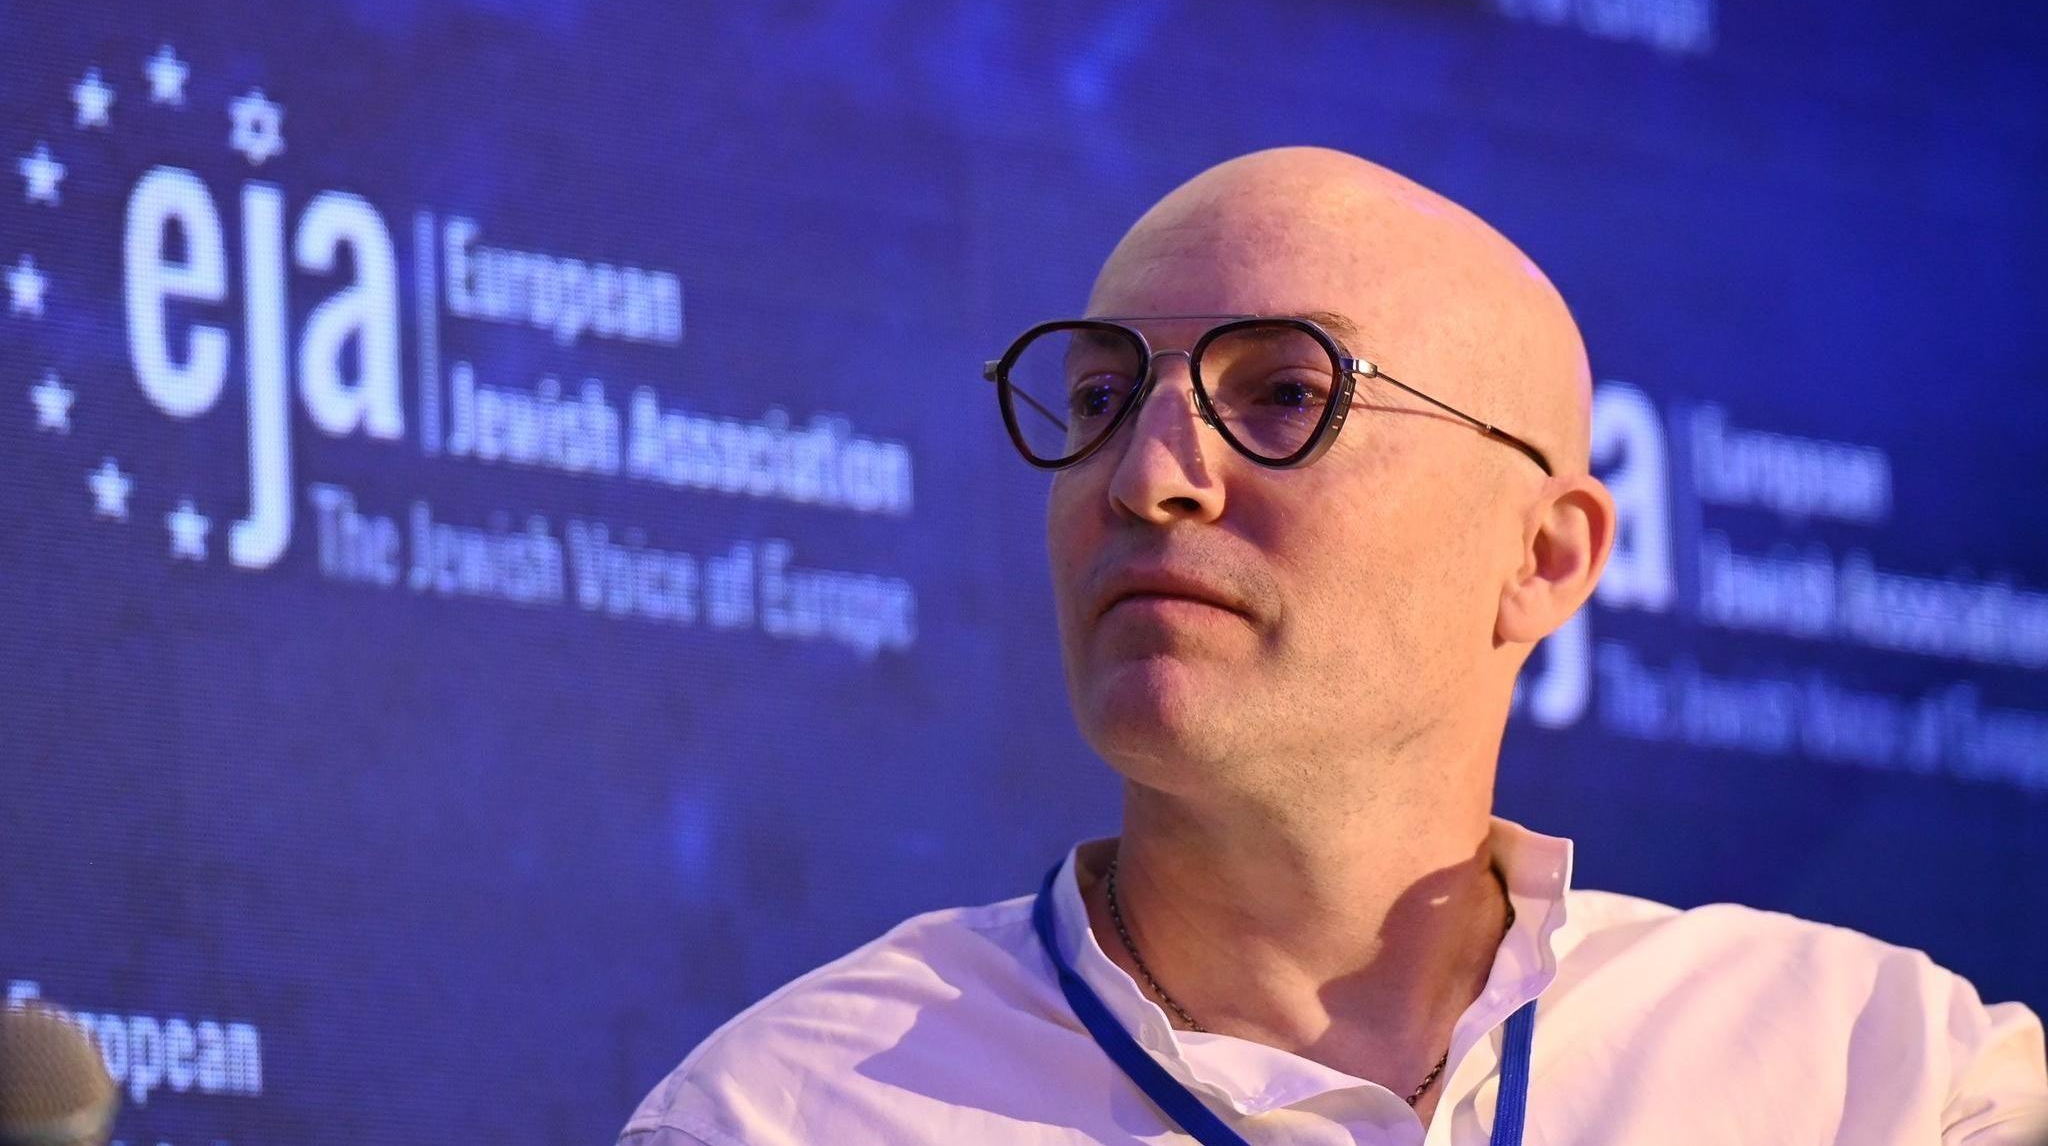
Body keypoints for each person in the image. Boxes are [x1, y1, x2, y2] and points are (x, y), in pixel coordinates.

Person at [617, 147, 2048, 1145]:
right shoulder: (793, 1115)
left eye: (1286, 393)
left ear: (1543, 557)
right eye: (1103, 396)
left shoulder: (1875, 1072)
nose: (1146, 476)